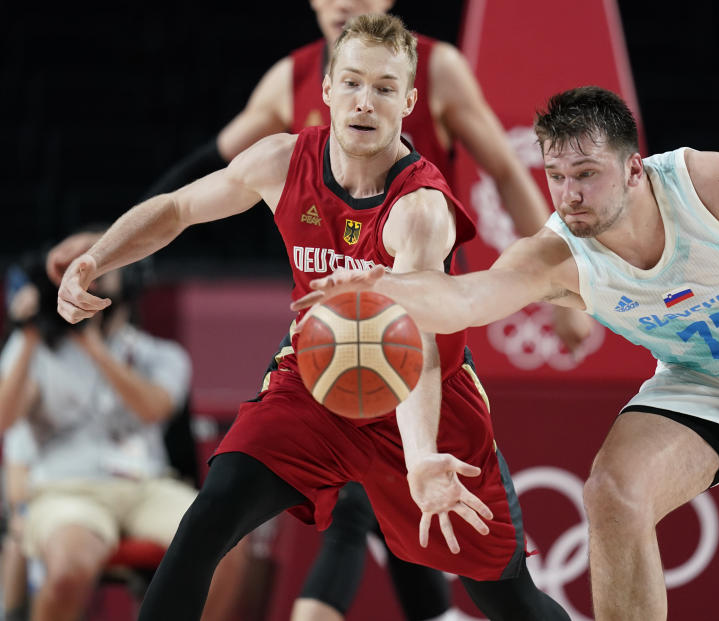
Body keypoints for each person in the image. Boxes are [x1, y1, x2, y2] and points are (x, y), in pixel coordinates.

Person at [292, 85, 719, 620]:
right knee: (612, 493)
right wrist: (388, 287)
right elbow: (467, 299)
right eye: (556, 177)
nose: (570, 195)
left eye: (586, 174)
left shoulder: (713, 187)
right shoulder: (560, 252)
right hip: (711, 381)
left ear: (635, 169)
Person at [42, 2, 590, 618]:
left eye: (384, 89)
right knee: (210, 513)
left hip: (421, 404)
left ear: (408, 102)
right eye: (352, 83)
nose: (365, 102)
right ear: (327, 90)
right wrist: (99, 254)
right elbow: (176, 210)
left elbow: (417, 347)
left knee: (507, 597)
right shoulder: (281, 160)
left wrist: (418, 459)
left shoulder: (419, 209)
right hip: (316, 381)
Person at [0, 248, 242, 621]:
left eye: (97, 276)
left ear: (125, 286)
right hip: (68, 489)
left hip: (146, 485)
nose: (84, 286)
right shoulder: (32, 350)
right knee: (68, 571)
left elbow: (153, 408)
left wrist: (91, 344)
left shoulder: (159, 354)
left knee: (228, 545)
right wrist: (29, 331)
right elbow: (4, 418)